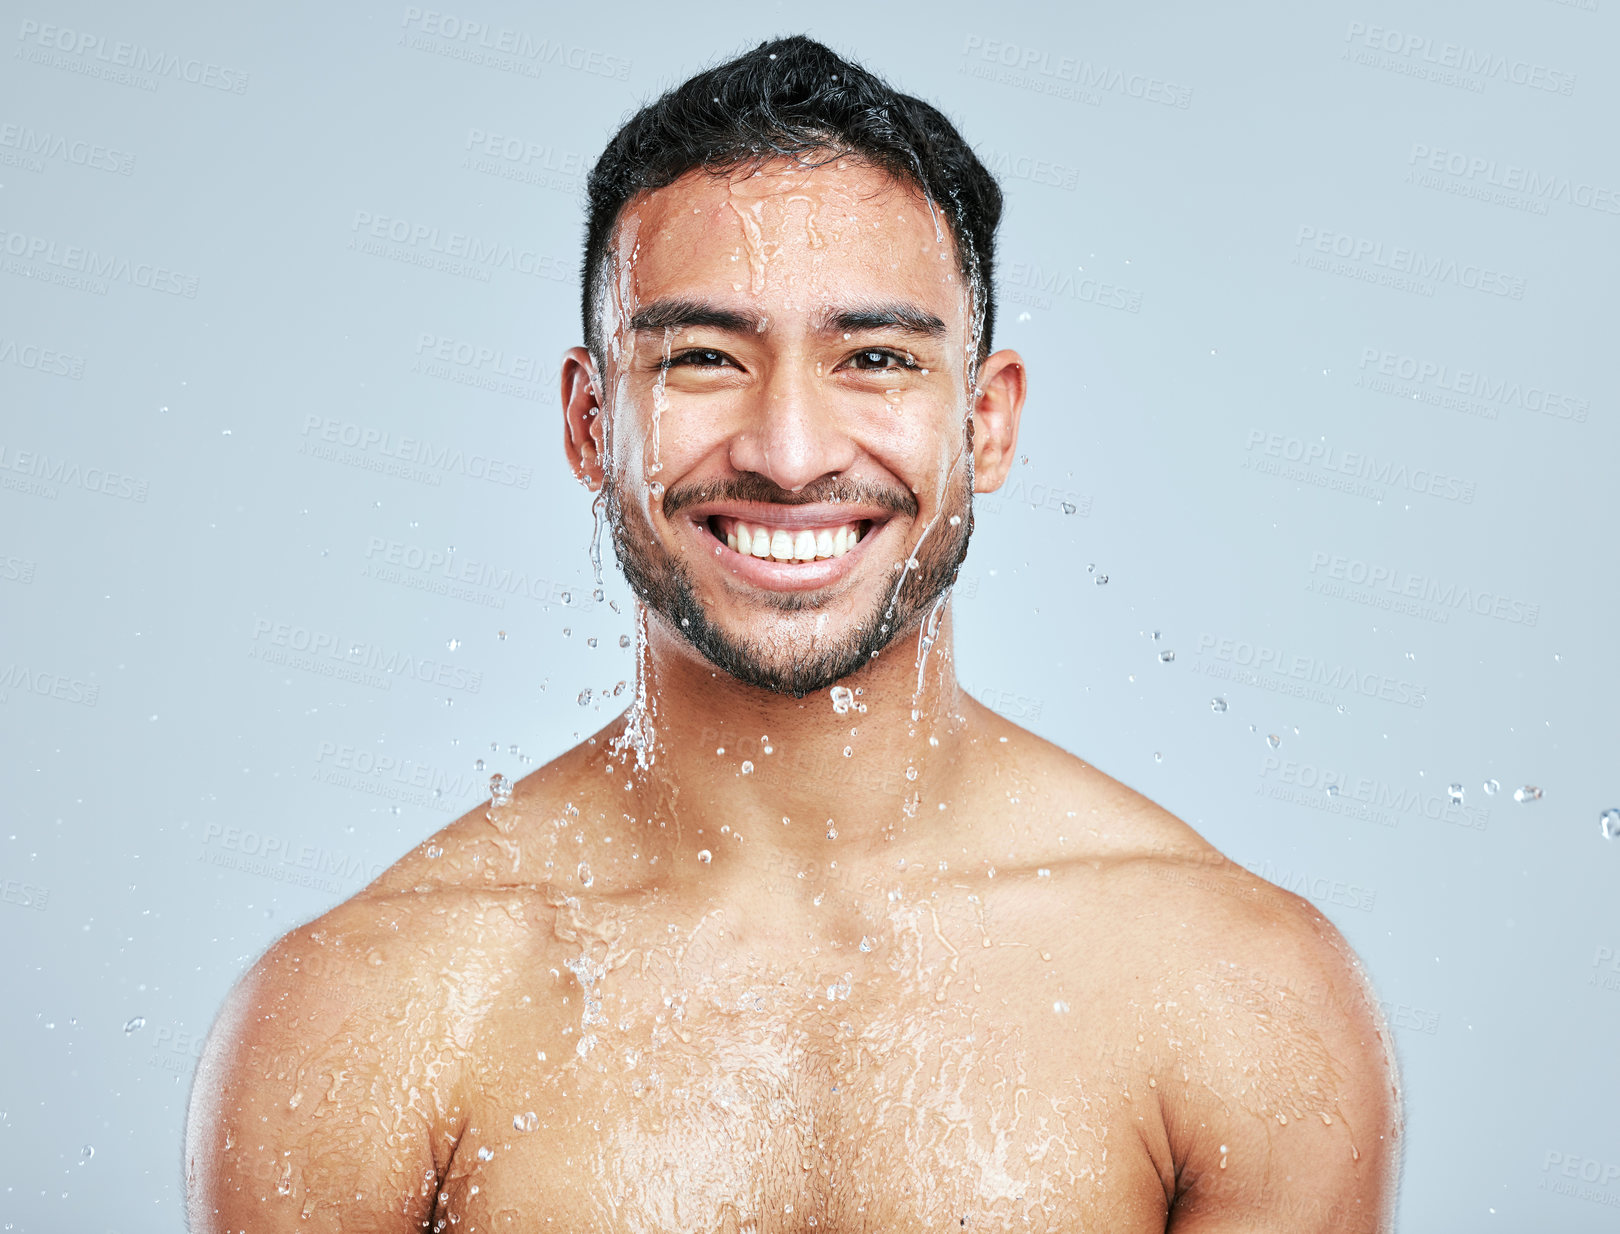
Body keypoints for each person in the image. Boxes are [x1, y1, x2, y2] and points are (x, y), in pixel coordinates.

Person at [187, 35, 1401, 1233]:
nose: (791, 452)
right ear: (590, 421)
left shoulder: (1241, 994)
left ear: (985, 424)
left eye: (875, 358)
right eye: (705, 357)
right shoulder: (364, 1016)